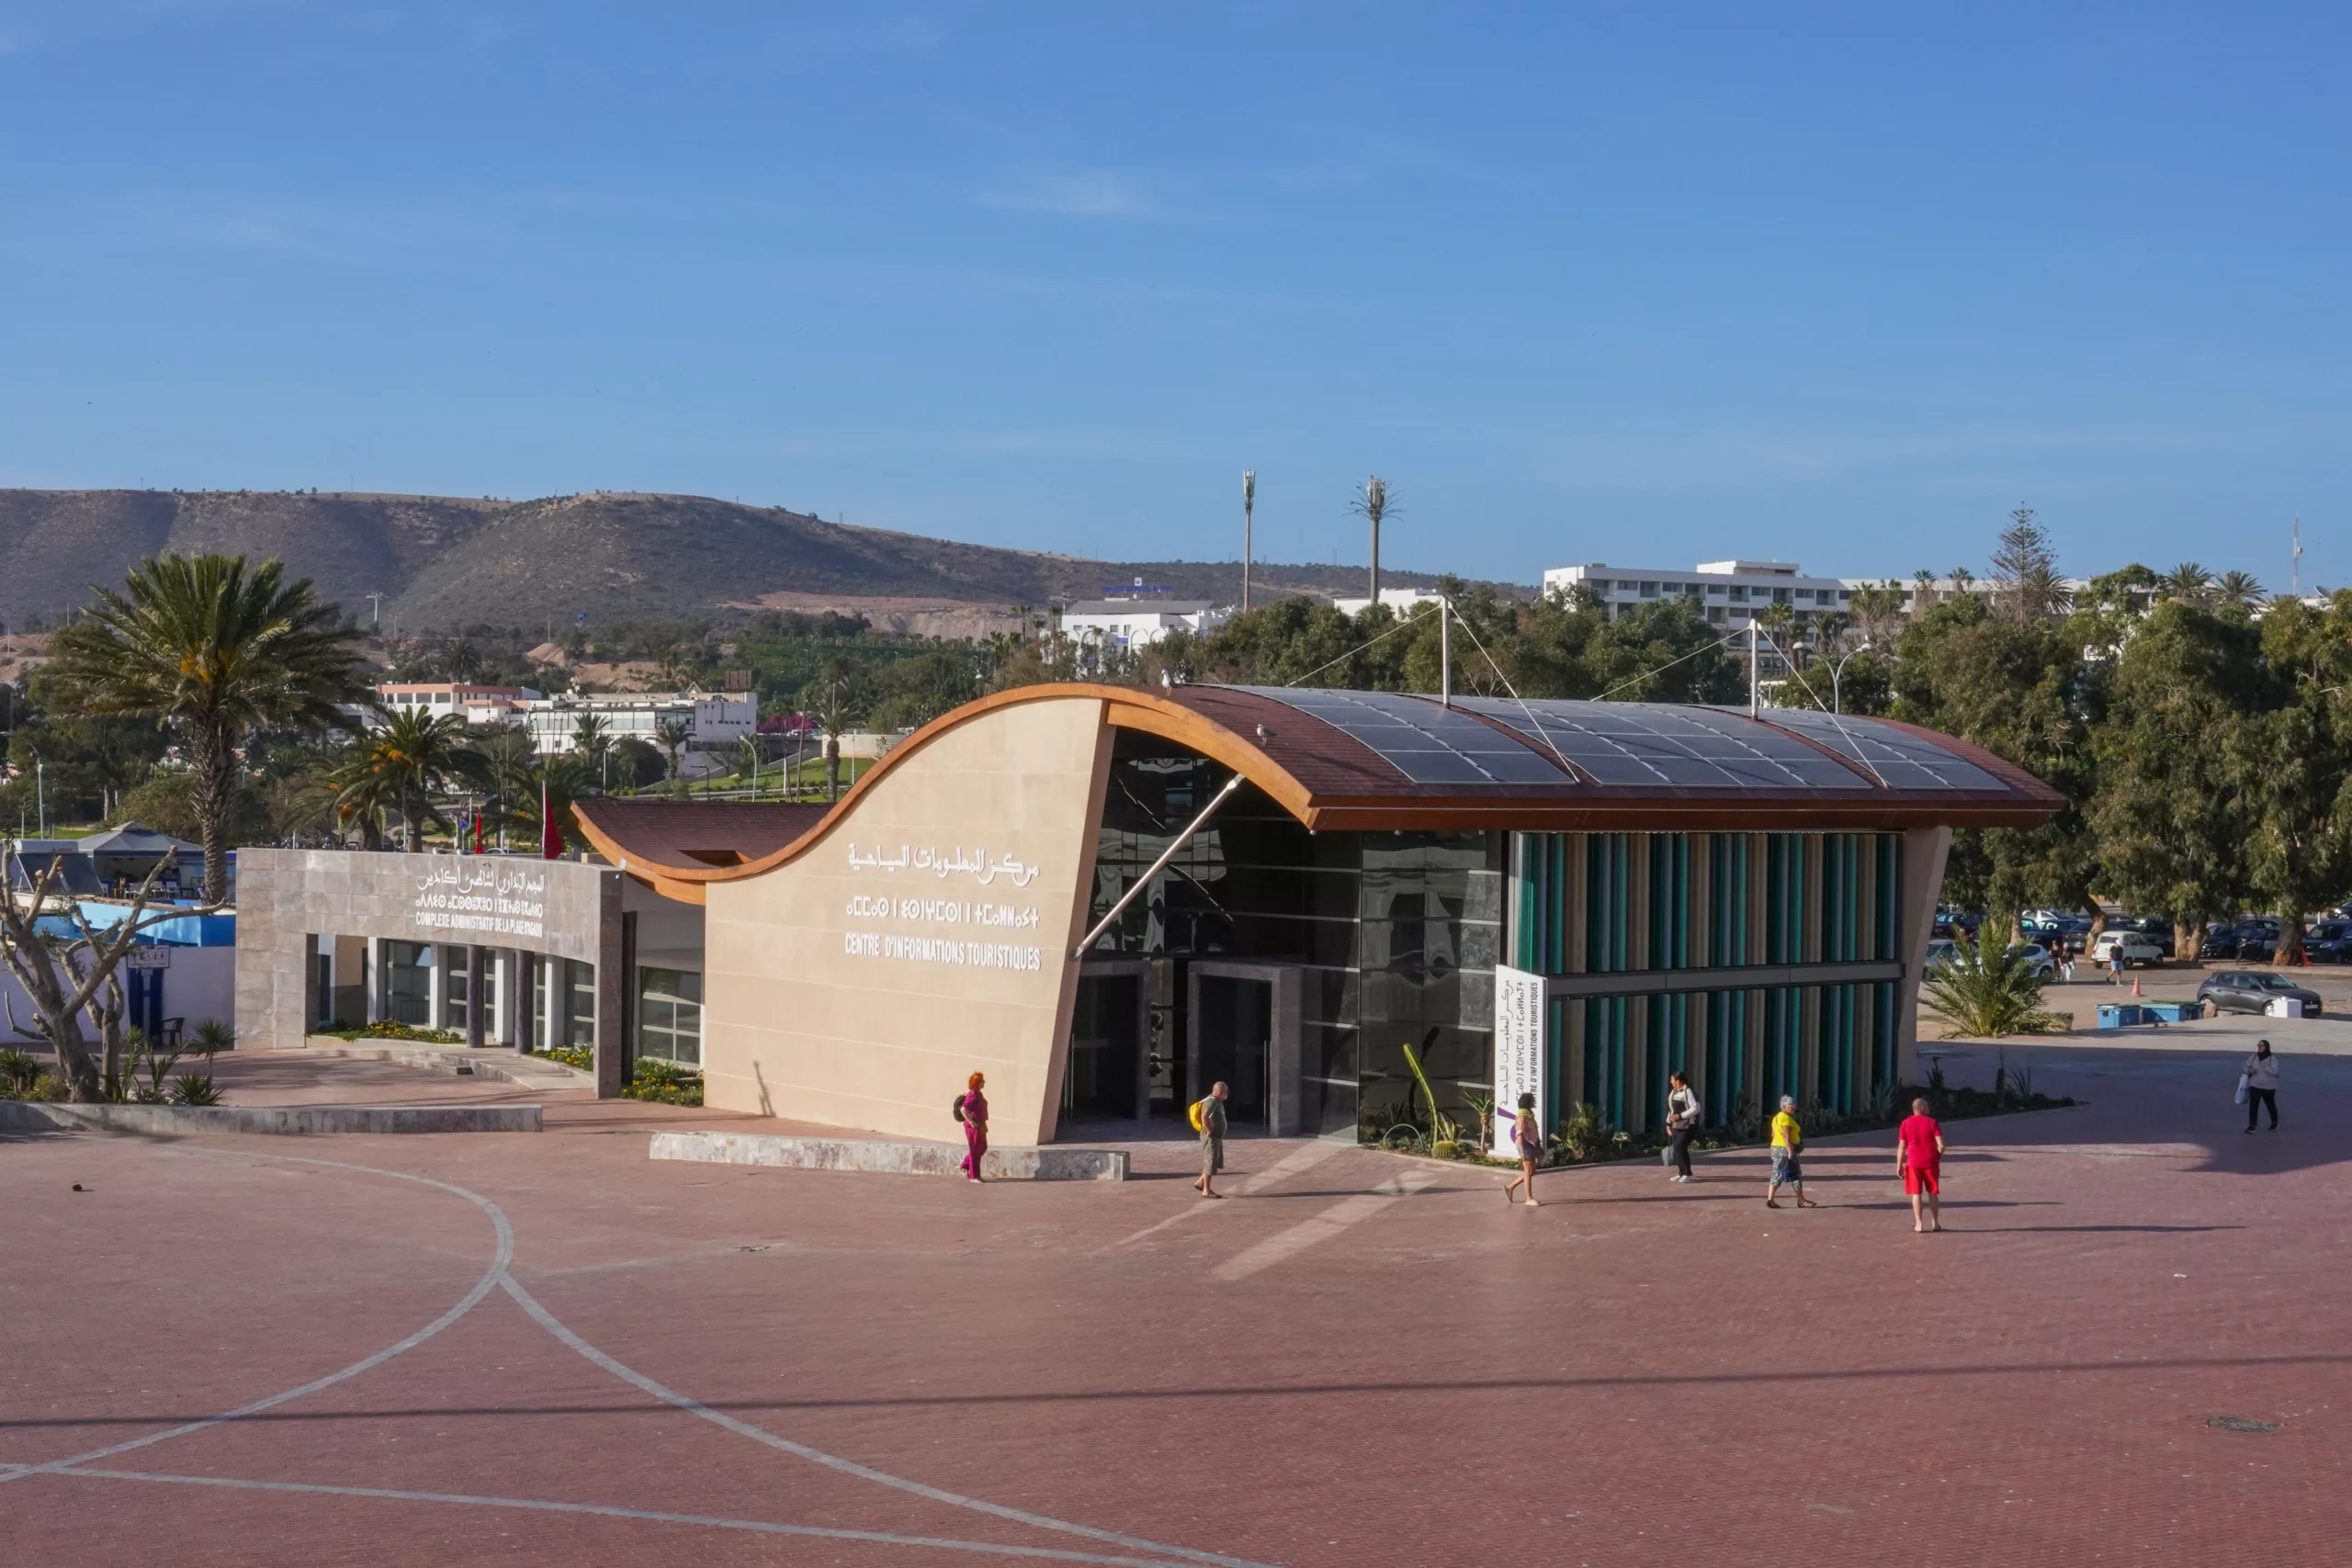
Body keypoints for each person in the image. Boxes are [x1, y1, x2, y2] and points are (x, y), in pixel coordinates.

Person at [1896, 1097, 1945, 1233]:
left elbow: (1901, 1146)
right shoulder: (1932, 1122)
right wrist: (1937, 1156)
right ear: (1922, 1108)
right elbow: (1941, 1145)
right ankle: (1935, 1223)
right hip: (1930, 1162)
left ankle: (1919, 1224)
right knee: (1933, 1193)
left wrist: (1899, 1165)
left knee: (1916, 1194)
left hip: (1913, 1163)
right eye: (1927, 1106)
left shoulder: (1905, 1124)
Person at [1767, 1095, 1817, 1209]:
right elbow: (1786, 1136)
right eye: (1791, 1106)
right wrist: (1790, 1151)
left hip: (1777, 1148)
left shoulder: (1776, 1118)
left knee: (1779, 1172)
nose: (1794, 1108)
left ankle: (1771, 1199)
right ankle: (1800, 1200)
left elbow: (1773, 1134)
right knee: (1792, 1173)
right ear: (1785, 1107)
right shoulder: (1785, 1118)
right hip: (1784, 1149)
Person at [1501, 1091, 1542, 1206]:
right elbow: (1519, 1133)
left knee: (1532, 1171)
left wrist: (1538, 1144)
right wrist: (1522, 1150)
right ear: (1528, 1102)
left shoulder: (1529, 1114)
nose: (1534, 1102)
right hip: (1524, 1144)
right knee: (1528, 1171)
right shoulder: (1522, 1115)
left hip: (1531, 1144)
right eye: (1532, 1100)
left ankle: (1510, 1187)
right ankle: (1529, 1198)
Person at [1193, 1079, 1229, 1198]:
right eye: (1226, 1091)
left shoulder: (1217, 1101)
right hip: (1210, 1137)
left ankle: (1200, 1183)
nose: (1228, 1093)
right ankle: (1206, 1191)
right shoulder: (1212, 1101)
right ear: (1220, 1092)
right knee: (1210, 1162)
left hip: (1215, 1137)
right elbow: (1204, 1116)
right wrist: (1209, 1130)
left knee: (1212, 1161)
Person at [1665, 1071, 1701, 1184]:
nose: (1671, 1082)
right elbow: (1671, 1110)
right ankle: (1681, 1172)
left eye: (1672, 1080)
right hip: (1675, 1125)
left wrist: (1680, 1116)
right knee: (1677, 1148)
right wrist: (1668, 1124)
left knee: (1680, 1147)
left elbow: (1695, 1108)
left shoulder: (1688, 1092)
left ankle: (1687, 1174)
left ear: (1678, 1081)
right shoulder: (1674, 1092)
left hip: (1687, 1125)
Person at [956, 1072, 989, 1181]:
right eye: (982, 1081)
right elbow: (963, 1109)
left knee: (983, 1147)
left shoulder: (978, 1093)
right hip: (974, 1125)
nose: (984, 1083)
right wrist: (971, 1121)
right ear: (977, 1083)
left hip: (981, 1124)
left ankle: (965, 1165)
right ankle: (974, 1176)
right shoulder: (972, 1094)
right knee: (975, 1149)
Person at [2243, 1040, 2279, 1133]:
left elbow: (2275, 1073)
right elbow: (2244, 1068)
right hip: (2254, 1085)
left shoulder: (2272, 1059)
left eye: (2261, 1045)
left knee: (2270, 1105)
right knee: (2253, 1106)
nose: (2259, 1047)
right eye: (2258, 1045)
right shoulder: (2253, 1057)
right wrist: (2250, 1070)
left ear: (2266, 1047)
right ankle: (2252, 1126)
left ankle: (2274, 1123)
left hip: (2268, 1087)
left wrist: (2266, 1067)